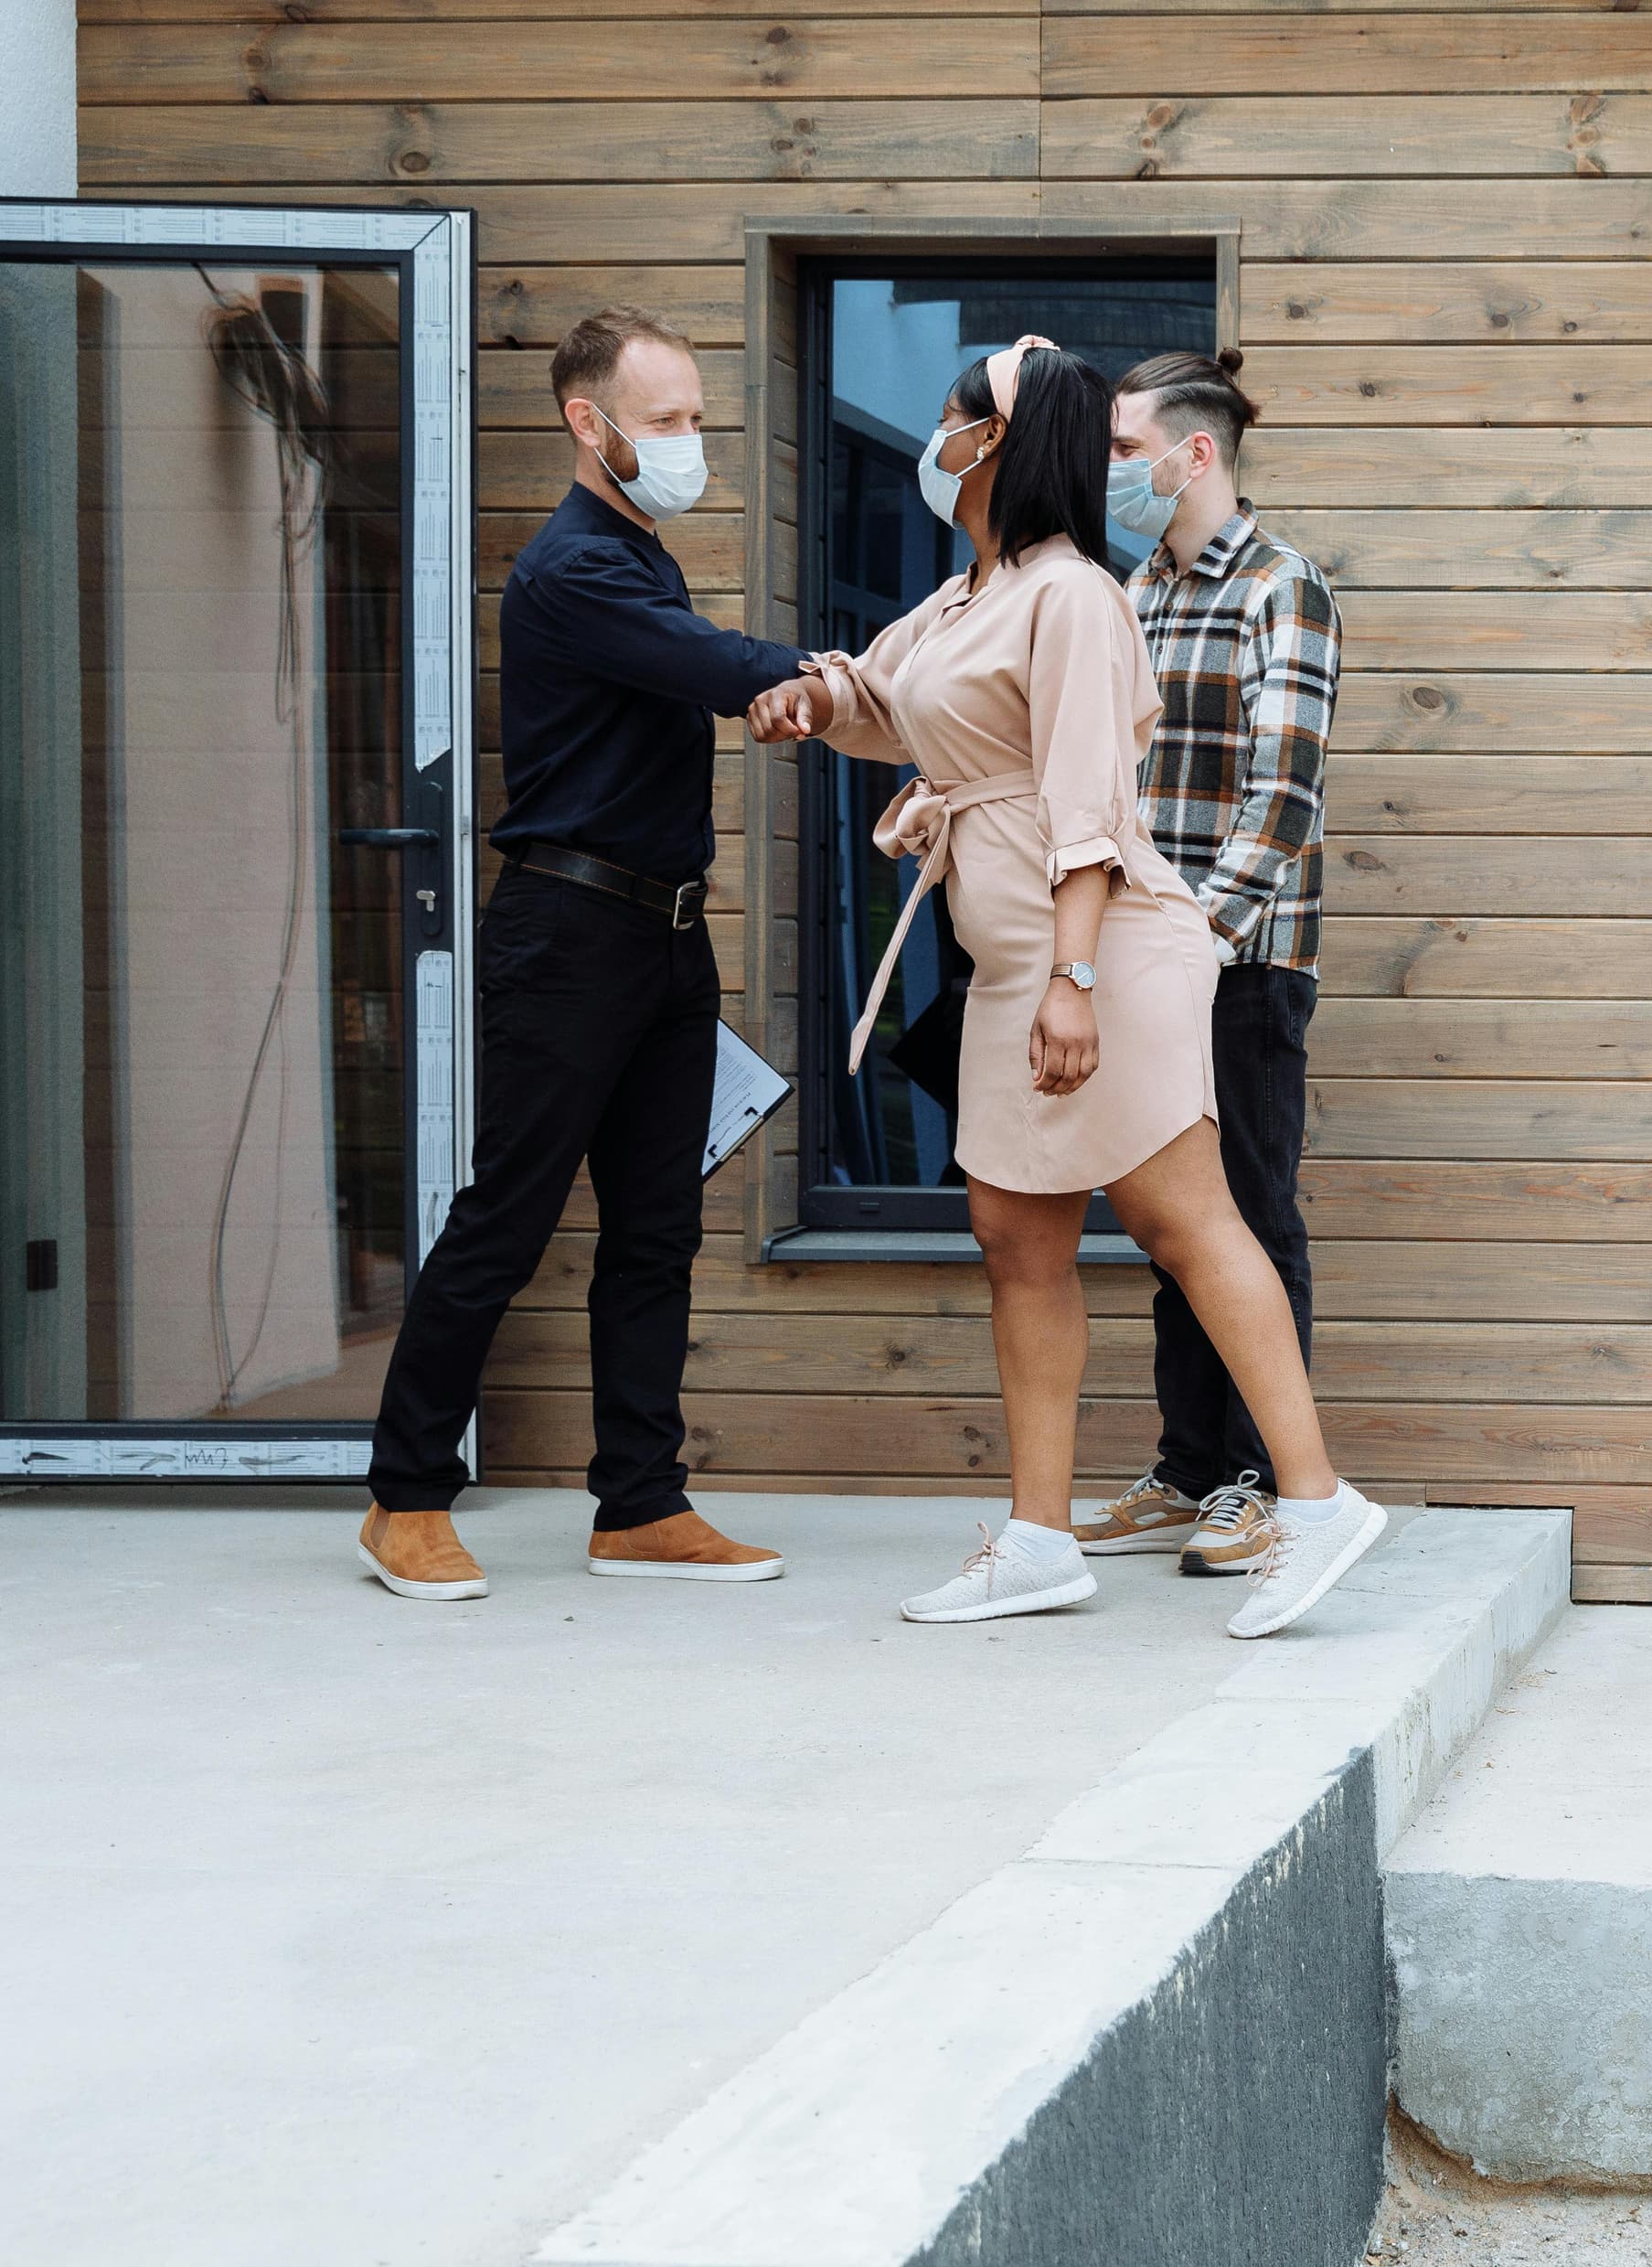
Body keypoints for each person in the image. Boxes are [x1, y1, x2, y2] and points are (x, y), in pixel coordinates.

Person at [744, 337, 1386, 1637]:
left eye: (950, 420)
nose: (933, 442)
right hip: (1010, 964)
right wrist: (811, 697)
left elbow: (1090, 799)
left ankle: (1314, 1501)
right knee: (1014, 1237)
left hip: (1097, 952)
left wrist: (1075, 979)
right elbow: (885, 702)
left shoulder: (1075, 595)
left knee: (1185, 1219)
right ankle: (1038, 1539)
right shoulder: (965, 597)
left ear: (992, 441)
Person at [356, 305, 807, 1602]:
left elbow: (704, 674)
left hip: (667, 934)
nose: (689, 442)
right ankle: (404, 1500)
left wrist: (772, 686)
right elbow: (713, 666)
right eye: (665, 421)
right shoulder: (575, 568)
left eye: (696, 419)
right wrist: (825, 675)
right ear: (587, 421)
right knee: (506, 1219)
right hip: (567, 934)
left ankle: (641, 1505)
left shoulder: (639, 555)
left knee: (657, 1232)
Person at [1073, 351, 1341, 1582]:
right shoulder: (1135, 590)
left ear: (1196, 454)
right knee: (1176, 1226)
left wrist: (1192, 943)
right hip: (1145, 962)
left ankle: (1262, 1481)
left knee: (1252, 1215)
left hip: (1241, 965)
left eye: (1125, 448)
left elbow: (1281, 799)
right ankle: (1188, 1469)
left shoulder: (1285, 587)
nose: (1109, 468)